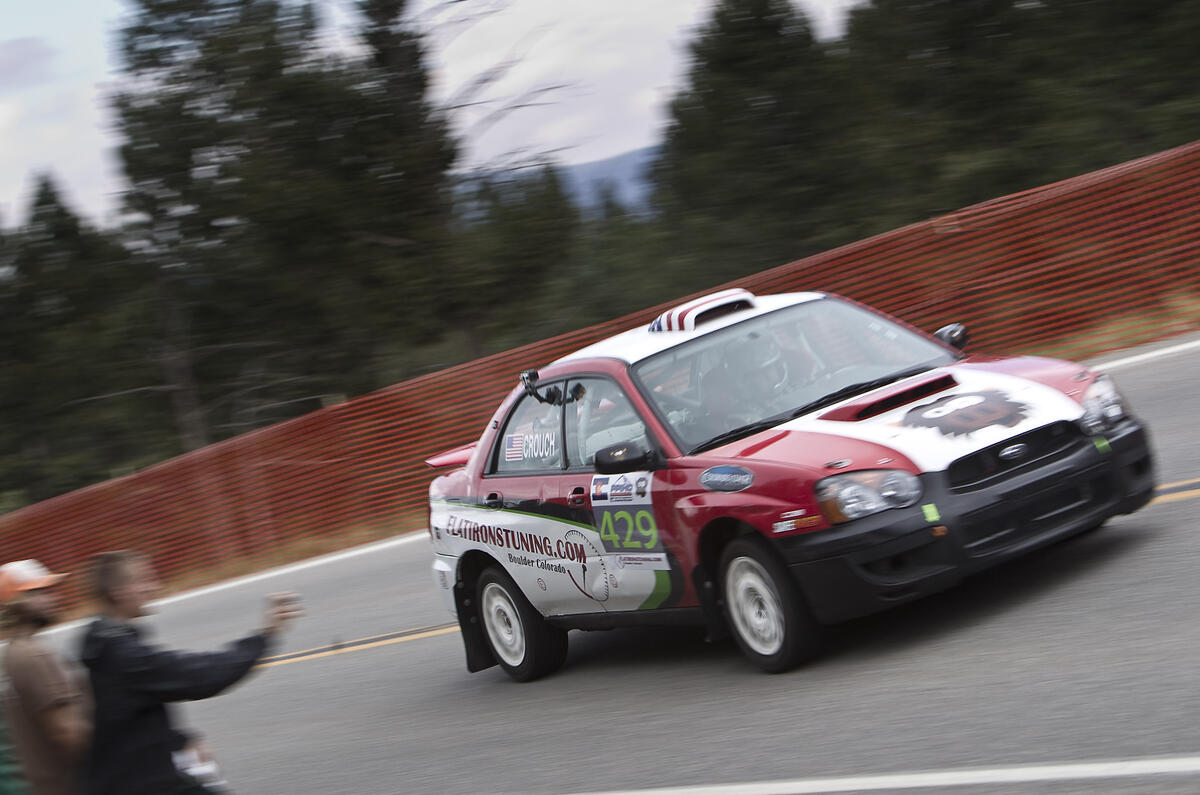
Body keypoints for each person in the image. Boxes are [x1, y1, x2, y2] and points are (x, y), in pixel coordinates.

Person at [78, 551, 302, 795]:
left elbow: (123, 712)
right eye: (143, 580)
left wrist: (179, 739)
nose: (153, 587)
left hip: (140, 777)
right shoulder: (122, 653)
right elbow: (201, 675)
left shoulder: (102, 639)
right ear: (118, 592)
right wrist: (265, 635)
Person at [0, 560, 89, 795]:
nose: (54, 597)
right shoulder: (33, 654)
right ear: (15, 603)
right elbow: (67, 733)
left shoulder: (14, 652)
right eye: (41, 592)